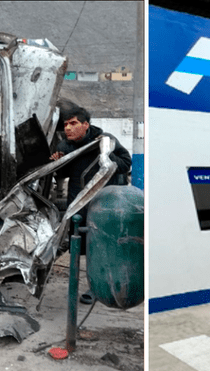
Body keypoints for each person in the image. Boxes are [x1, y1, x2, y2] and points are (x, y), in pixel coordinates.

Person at [50, 103, 132, 304]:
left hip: (104, 204)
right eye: (66, 124)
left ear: (86, 125)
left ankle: (99, 287)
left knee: (102, 248)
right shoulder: (64, 147)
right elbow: (61, 176)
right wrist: (57, 163)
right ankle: (77, 284)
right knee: (79, 248)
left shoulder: (106, 141)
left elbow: (125, 164)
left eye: (73, 123)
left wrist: (105, 154)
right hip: (78, 204)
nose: (68, 128)